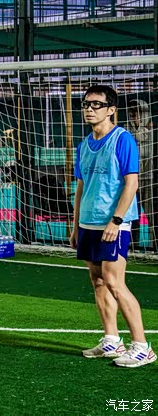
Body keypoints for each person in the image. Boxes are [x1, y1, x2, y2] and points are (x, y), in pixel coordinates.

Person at [70, 85, 155, 368]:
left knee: (115, 282)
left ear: (111, 109)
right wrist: (76, 226)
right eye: (86, 104)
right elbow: (80, 187)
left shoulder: (122, 139)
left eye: (96, 104)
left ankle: (142, 347)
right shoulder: (83, 145)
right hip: (88, 223)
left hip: (114, 224)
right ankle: (111, 340)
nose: (89, 109)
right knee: (97, 280)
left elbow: (132, 183)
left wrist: (116, 220)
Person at [126, 99, 157, 251]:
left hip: (149, 180)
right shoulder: (125, 130)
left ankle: (155, 246)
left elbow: (141, 142)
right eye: (132, 111)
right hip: (131, 181)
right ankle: (132, 246)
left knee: (153, 216)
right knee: (132, 215)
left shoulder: (152, 130)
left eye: (138, 111)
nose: (134, 114)